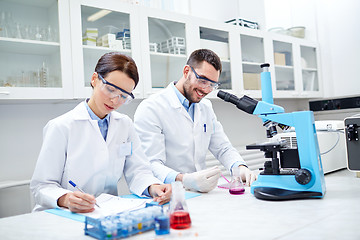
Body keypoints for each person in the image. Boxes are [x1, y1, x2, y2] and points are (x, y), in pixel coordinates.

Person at [30, 52, 171, 213]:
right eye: (111, 89)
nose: (115, 100)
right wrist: (66, 199)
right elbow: (42, 186)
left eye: (124, 95)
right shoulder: (61, 126)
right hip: (65, 214)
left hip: (106, 211)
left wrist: (154, 187)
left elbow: (138, 171)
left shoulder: (125, 124)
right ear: (94, 79)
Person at [134, 49, 257, 193]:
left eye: (212, 85)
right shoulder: (151, 108)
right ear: (187, 71)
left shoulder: (205, 107)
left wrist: (240, 167)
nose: (206, 89)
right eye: (202, 80)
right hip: (168, 193)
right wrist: (184, 179)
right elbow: (151, 163)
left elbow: (223, 148)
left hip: (199, 193)